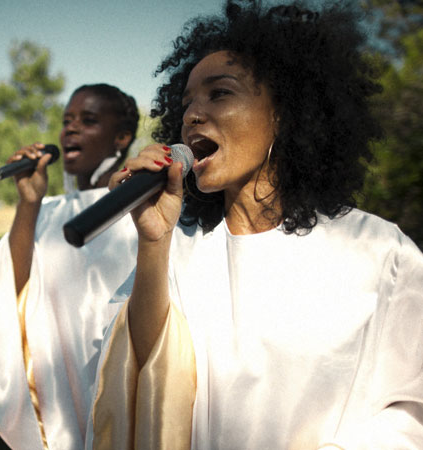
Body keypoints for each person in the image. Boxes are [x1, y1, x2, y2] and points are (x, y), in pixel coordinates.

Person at [87, 1, 423, 449]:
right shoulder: (181, 246)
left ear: (285, 112)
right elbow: (138, 379)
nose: (192, 116)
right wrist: (153, 241)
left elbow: (409, 406)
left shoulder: (382, 253)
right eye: (186, 103)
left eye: (219, 93)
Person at [0, 84, 140, 450]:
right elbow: (7, 289)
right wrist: (29, 203)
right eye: (67, 121)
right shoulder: (46, 211)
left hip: (118, 383)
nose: (71, 129)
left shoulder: (142, 206)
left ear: (122, 136)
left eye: (88, 120)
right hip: (54, 396)